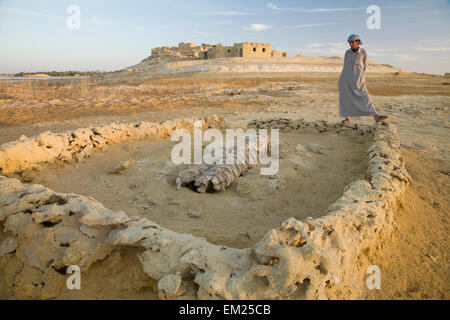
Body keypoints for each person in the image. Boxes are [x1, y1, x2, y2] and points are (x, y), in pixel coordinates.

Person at [338, 34, 388, 125]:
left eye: (353, 42)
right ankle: (347, 118)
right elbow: (345, 66)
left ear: (357, 42)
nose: (351, 44)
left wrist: (359, 77)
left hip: (358, 78)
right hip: (345, 78)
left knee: (364, 95)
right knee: (345, 97)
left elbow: (364, 66)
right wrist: (343, 79)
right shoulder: (347, 53)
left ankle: (375, 115)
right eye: (350, 42)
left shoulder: (363, 52)